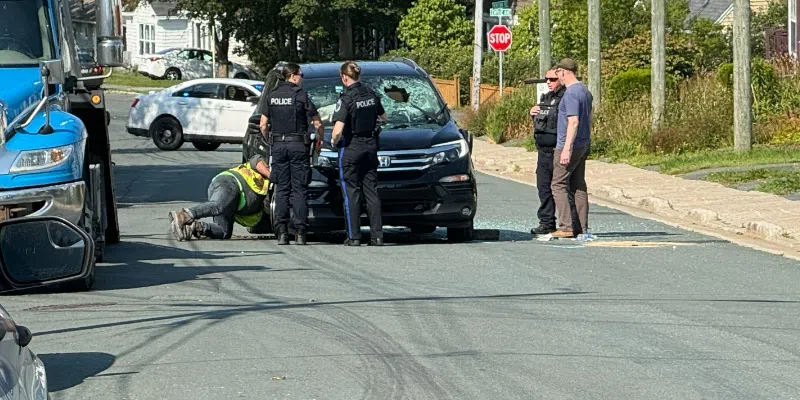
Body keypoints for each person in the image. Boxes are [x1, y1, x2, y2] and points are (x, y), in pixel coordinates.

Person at [260, 62, 324, 245]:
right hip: (298, 146)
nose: (302, 78)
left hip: (278, 146)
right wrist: (319, 141)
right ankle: (301, 232)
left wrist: (269, 140)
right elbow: (318, 123)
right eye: (301, 75)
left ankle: (282, 232)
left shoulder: (272, 96)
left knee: (281, 189)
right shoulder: (301, 95)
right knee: (299, 190)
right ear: (294, 75)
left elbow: (263, 125)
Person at [330, 61, 388, 247]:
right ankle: (377, 236)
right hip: (370, 146)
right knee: (372, 192)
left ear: (344, 77)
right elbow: (384, 117)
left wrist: (333, 141)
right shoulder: (371, 94)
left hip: (352, 146)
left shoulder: (346, 98)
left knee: (351, 193)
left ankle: (354, 236)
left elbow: (338, 130)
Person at [168, 155, 271, 241]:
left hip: (232, 206)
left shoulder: (269, 205)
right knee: (219, 205)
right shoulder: (265, 167)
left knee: (224, 232)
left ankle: (195, 227)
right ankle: (185, 215)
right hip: (229, 183)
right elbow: (257, 160)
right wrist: (273, 176)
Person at [529, 67, 578, 236]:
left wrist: (566, 149)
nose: (548, 82)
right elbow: (541, 122)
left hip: (557, 150)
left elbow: (571, 122)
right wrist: (532, 113)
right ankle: (547, 222)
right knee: (543, 188)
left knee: (561, 187)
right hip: (542, 151)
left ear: (560, 78)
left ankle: (571, 224)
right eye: (546, 80)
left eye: (552, 79)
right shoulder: (545, 98)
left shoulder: (566, 97)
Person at [551, 58, 593, 239]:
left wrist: (566, 148)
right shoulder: (585, 91)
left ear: (564, 72)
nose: (557, 76)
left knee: (558, 184)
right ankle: (581, 227)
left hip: (569, 145)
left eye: (558, 72)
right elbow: (589, 119)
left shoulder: (571, 93)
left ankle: (566, 226)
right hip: (583, 144)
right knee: (578, 184)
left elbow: (573, 121)